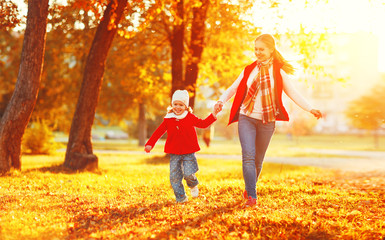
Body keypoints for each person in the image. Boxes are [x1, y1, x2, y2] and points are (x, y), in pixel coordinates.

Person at [214, 33, 322, 207]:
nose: (258, 52)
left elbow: (293, 93)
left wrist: (310, 108)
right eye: (255, 49)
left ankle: (249, 187)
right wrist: (220, 101)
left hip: (267, 121)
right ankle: (252, 196)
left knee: (258, 160)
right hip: (246, 118)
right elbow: (232, 88)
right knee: (248, 157)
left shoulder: (278, 72)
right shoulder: (249, 69)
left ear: (271, 50)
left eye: (261, 49)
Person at [145, 90, 219, 203]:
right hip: (174, 152)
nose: (178, 107)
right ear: (172, 105)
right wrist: (150, 144)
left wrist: (213, 115)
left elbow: (203, 124)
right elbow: (158, 132)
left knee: (189, 173)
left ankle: (193, 185)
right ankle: (181, 198)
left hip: (189, 151)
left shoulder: (189, 117)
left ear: (186, 106)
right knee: (174, 177)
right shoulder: (168, 118)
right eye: (175, 104)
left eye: (181, 105)